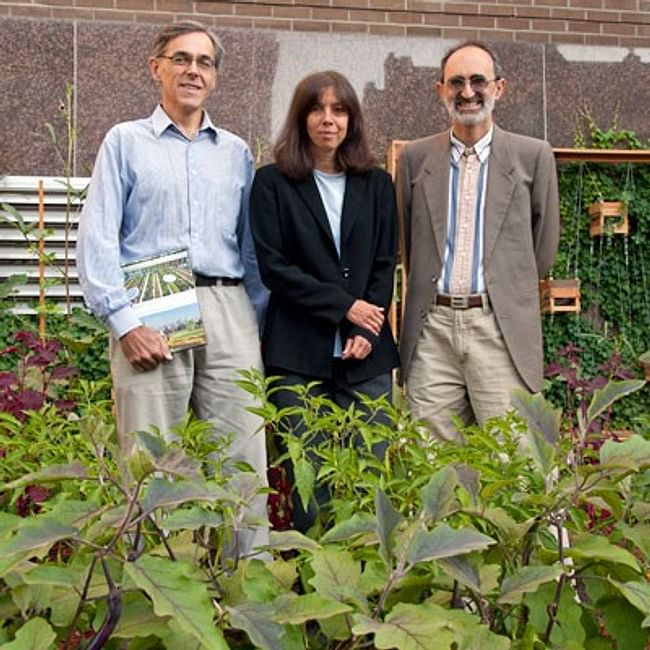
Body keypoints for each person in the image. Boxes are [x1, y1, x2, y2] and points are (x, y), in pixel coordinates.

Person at [76, 21, 269, 557]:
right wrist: (125, 322)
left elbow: (250, 247)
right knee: (150, 458)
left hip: (228, 301)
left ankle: (247, 581)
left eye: (204, 62)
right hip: (154, 294)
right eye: (181, 59)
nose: (193, 70)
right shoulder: (125, 142)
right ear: (155, 66)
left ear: (216, 77)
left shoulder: (235, 153)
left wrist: (251, 317)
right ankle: (151, 586)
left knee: (242, 454)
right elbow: (97, 238)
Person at [250, 71, 399, 532]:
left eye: (339, 110)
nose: (327, 120)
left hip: (366, 356)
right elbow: (275, 268)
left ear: (352, 120)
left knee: (368, 476)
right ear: (301, 118)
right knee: (307, 480)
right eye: (317, 109)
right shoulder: (272, 183)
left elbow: (383, 262)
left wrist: (363, 326)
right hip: (298, 353)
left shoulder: (376, 184)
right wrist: (343, 308)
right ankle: (310, 586)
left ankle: (368, 579)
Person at [396, 41, 560, 440]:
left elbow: (542, 247)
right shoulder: (415, 160)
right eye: (456, 82)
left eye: (477, 81)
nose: (467, 92)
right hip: (431, 330)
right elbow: (408, 244)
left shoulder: (533, 156)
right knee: (429, 461)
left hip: (499, 328)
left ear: (498, 87)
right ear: (441, 90)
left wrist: (504, 289)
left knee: (516, 457)